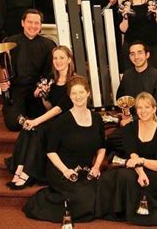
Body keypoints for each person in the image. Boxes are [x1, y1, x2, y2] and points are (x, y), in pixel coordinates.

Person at [23, 75, 106, 223]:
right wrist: (65, 171)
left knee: (98, 193)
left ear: (88, 93)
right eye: (74, 93)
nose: (78, 96)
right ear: (69, 96)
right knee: (83, 199)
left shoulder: (97, 119)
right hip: (61, 170)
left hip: (85, 170)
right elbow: (51, 151)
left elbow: (101, 148)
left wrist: (97, 166)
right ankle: (43, 199)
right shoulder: (62, 121)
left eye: (81, 92)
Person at [96, 92, 157, 226]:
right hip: (137, 168)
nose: (143, 111)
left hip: (156, 171)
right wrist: (140, 172)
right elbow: (132, 154)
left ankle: (142, 212)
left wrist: (142, 161)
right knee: (123, 175)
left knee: (128, 175)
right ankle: (126, 211)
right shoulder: (130, 129)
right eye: (140, 108)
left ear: (154, 109)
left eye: (147, 107)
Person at [5, 46, 75, 189]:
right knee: (27, 129)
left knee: (38, 130)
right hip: (53, 117)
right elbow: (50, 106)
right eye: (55, 58)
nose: (58, 61)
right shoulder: (51, 79)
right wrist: (44, 96)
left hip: (68, 121)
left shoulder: (74, 81)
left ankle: (28, 173)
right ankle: (20, 167)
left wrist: (35, 121)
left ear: (69, 60)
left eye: (62, 57)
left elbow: (60, 108)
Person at [106, 41, 157, 157]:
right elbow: (121, 98)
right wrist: (125, 114)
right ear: (129, 57)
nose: (136, 57)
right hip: (133, 124)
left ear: (147, 55)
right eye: (132, 54)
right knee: (111, 140)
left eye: (140, 53)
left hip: (152, 121)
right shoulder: (127, 75)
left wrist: (132, 118)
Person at [0, 9, 56, 131]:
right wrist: (2, 81)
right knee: (13, 124)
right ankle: (9, 109)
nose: (33, 26)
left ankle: (26, 113)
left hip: (37, 90)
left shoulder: (49, 45)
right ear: (22, 23)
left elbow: (50, 71)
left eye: (37, 23)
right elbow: (2, 65)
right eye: (30, 22)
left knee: (46, 120)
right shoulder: (9, 42)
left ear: (41, 26)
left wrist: (42, 86)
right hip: (16, 89)